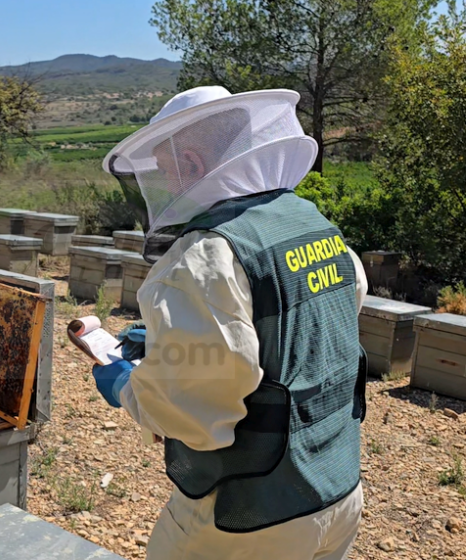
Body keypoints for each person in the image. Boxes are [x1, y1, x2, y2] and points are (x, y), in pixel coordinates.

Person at [92, 86, 369, 560]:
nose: (160, 182)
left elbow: (194, 415)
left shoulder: (202, 257)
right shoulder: (310, 223)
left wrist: (127, 386)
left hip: (251, 516)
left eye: (164, 166)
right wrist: (172, 346)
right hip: (338, 492)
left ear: (195, 165)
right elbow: (317, 322)